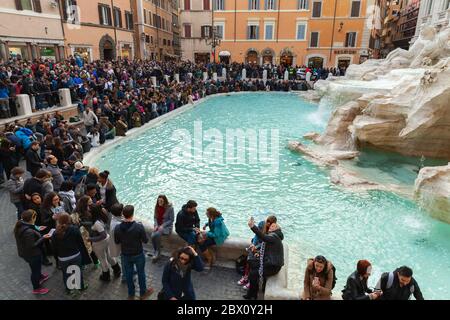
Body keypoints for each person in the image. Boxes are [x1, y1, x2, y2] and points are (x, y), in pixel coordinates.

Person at [114, 205, 154, 300]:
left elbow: (117, 241)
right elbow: (145, 240)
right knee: (141, 273)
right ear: (132, 214)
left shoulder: (117, 228)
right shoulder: (139, 226)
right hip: (138, 254)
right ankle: (143, 293)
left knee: (128, 274)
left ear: (123, 214)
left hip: (125, 255)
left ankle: (131, 294)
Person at [244, 216, 284, 300]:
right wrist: (258, 253)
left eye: (273, 226)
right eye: (271, 225)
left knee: (253, 273)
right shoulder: (274, 236)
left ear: (277, 230)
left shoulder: (274, 236)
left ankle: (252, 294)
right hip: (269, 262)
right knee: (252, 267)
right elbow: (268, 250)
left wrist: (252, 226)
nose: (270, 226)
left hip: (273, 266)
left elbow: (263, 237)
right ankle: (252, 294)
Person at [14, 210, 51, 295]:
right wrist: (43, 238)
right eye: (35, 217)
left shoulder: (21, 224)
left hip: (26, 254)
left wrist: (37, 228)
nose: (36, 218)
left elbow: (31, 227)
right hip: (33, 254)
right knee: (35, 271)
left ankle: (40, 276)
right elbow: (32, 245)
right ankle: (36, 288)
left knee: (35, 268)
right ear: (32, 218)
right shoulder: (28, 232)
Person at [52, 213, 90, 294]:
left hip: (63, 258)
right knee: (77, 271)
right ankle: (80, 287)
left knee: (65, 273)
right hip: (75, 255)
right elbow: (80, 242)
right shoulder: (74, 229)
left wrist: (57, 259)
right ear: (69, 220)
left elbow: (54, 248)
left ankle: (69, 289)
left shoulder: (55, 233)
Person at [89, 204, 121, 281]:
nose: (88, 211)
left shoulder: (96, 223)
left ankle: (106, 276)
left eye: (89, 210)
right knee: (110, 256)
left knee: (102, 259)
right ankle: (117, 270)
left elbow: (102, 235)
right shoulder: (102, 217)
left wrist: (91, 239)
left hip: (99, 243)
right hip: (107, 239)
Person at [149, 195, 174, 262]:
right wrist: (156, 225)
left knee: (156, 234)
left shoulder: (170, 208)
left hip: (167, 227)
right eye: (158, 201)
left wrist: (162, 225)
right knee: (152, 236)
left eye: (161, 201)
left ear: (165, 201)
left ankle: (157, 252)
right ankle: (156, 250)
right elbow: (155, 217)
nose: (159, 202)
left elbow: (171, 220)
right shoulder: (156, 207)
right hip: (158, 225)